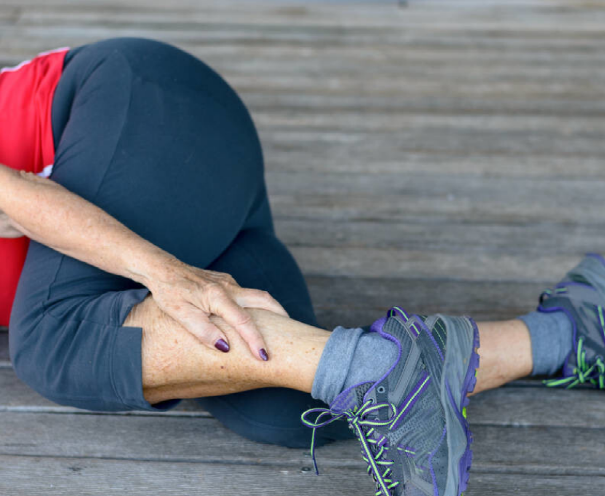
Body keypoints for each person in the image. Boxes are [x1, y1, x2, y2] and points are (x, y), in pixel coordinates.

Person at [1, 37, 603, 496]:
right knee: (294, 413)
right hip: (178, 213)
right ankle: (570, 329)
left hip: (133, 107)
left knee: (55, 341)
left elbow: (17, 195)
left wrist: (165, 273)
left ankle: (387, 369)